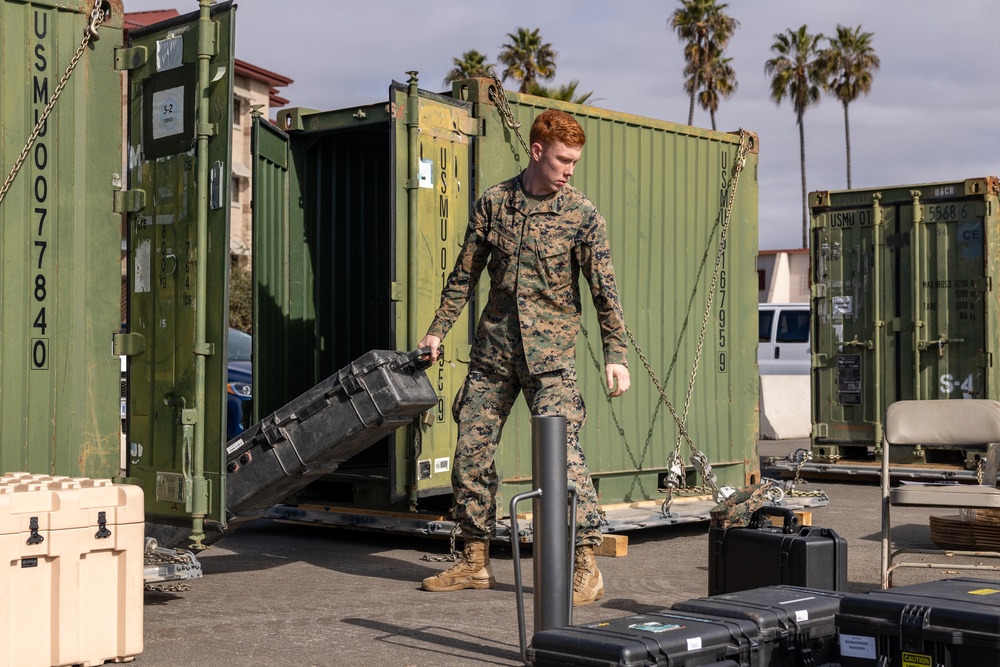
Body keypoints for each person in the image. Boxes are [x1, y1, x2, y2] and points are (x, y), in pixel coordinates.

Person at [419, 109, 630, 607]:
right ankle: (473, 561)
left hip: (551, 358)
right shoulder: (494, 204)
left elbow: (605, 293)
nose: (569, 170)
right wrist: (436, 331)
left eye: (575, 161)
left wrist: (614, 354)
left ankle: (585, 566)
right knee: (470, 451)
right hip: (494, 352)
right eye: (562, 160)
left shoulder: (582, 215)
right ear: (537, 151)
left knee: (563, 462)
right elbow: (463, 277)